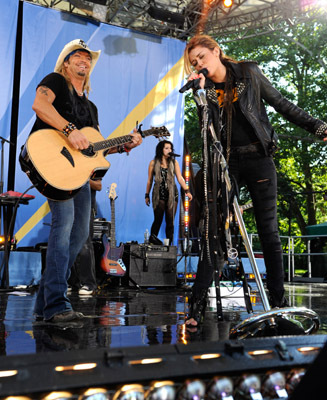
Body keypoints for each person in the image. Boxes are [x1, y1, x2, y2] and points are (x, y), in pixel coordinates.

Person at [183, 35, 327, 326]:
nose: (199, 64)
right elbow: (207, 129)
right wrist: (201, 96)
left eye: (202, 57)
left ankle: (278, 304)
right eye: (194, 62)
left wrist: (317, 126)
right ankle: (195, 310)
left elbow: (281, 103)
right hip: (226, 164)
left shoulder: (249, 72)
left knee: (269, 232)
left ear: (216, 52)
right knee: (211, 231)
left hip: (259, 157)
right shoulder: (205, 90)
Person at [29, 39, 142, 323]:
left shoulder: (91, 108)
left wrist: (125, 144)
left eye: (87, 57)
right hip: (53, 166)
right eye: (77, 55)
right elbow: (39, 104)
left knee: (80, 236)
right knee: (63, 227)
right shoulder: (54, 81)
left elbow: (96, 148)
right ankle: (56, 305)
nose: (83, 59)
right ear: (66, 63)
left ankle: (44, 305)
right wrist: (69, 129)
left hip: (77, 176)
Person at [145, 140, 192, 245]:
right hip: (158, 194)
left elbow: (180, 178)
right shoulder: (153, 163)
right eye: (166, 148)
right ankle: (152, 241)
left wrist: (187, 191)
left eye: (170, 148)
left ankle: (169, 245)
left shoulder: (174, 162)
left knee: (170, 221)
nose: (169, 150)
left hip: (172, 194)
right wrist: (147, 195)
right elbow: (149, 180)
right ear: (161, 149)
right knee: (158, 219)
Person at [68, 178, 102, 295]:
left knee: (84, 243)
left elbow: (98, 185)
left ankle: (88, 283)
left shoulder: (89, 162)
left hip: (85, 207)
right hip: (67, 205)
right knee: (67, 243)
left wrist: (83, 180)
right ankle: (71, 282)